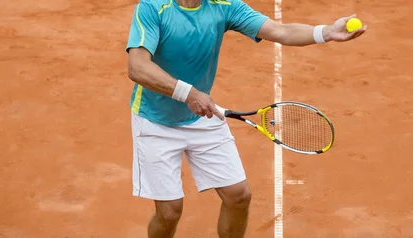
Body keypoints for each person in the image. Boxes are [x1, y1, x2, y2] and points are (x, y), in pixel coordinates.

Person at [125, 0, 366, 236]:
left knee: (238, 196)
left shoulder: (225, 6)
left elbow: (279, 31)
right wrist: (189, 93)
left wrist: (326, 32)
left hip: (202, 117)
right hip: (156, 122)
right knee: (169, 212)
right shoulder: (153, 7)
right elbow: (137, 67)